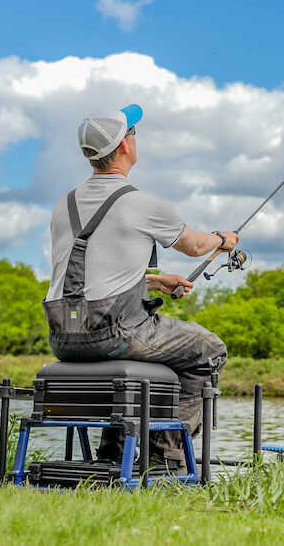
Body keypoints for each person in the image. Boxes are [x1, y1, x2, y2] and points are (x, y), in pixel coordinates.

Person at [43, 103, 239, 469]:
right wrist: (222, 239)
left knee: (141, 356)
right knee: (208, 349)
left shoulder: (63, 205)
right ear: (124, 147)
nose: (135, 138)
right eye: (133, 133)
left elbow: (81, 274)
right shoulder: (141, 202)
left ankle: (114, 454)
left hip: (63, 336)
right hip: (113, 335)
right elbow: (195, 246)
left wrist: (152, 280)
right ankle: (166, 458)